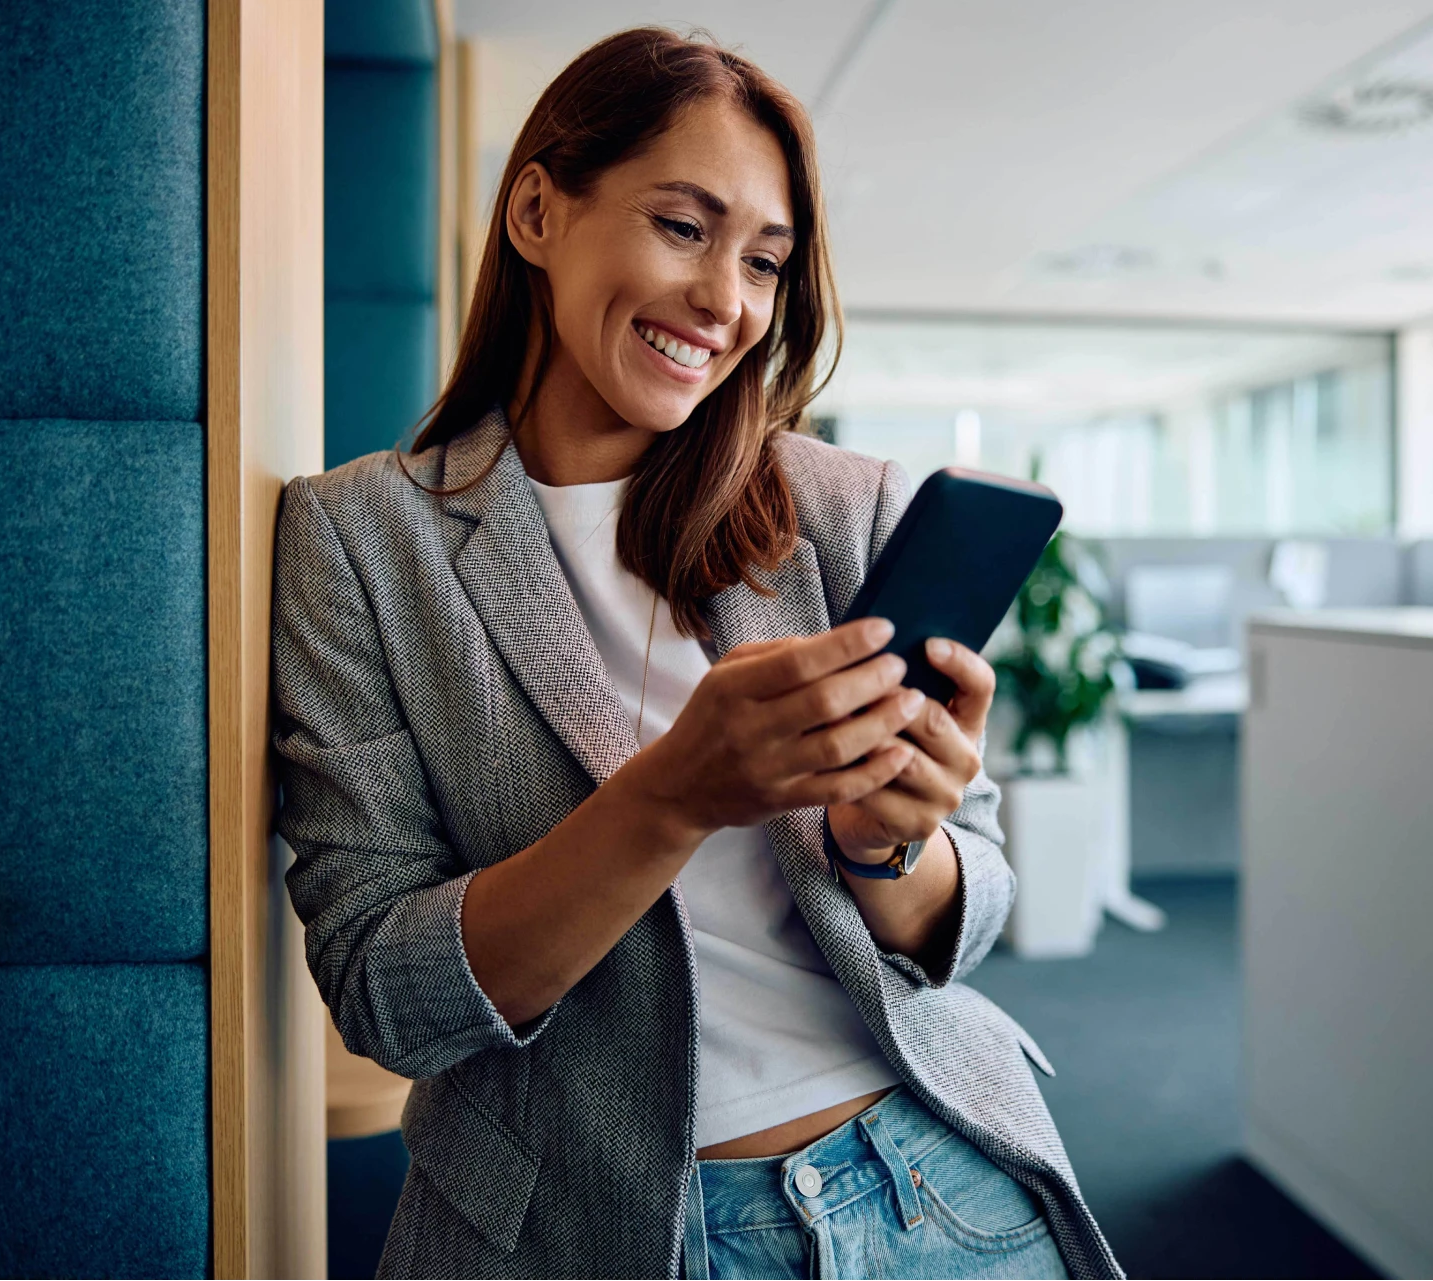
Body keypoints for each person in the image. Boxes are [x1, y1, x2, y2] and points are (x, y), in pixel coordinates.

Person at [272, 27, 1117, 1281]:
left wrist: (891, 841)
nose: (728, 301)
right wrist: (670, 798)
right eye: (683, 227)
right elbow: (388, 996)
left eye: (765, 262)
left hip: (935, 1188)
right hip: (588, 1229)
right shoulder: (359, 540)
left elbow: (972, 906)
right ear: (538, 210)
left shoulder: (846, 510)